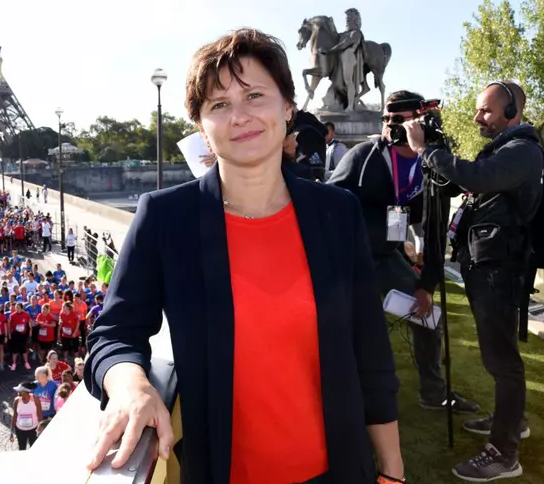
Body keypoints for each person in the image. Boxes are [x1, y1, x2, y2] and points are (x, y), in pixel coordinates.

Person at [84, 28, 403, 484]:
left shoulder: (337, 213)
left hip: (339, 471)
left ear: (287, 107)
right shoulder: (166, 218)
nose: (240, 116)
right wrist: (131, 385)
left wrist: (392, 469)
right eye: (219, 105)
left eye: (255, 95)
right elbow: (114, 333)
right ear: (201, 125)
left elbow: (370, 350)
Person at [403, 81, 542, 481]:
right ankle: (511, 422)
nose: (478, 117)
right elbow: (461, 181)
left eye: (486, 110)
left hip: (500, 271)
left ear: (512, 112)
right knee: (499, 359)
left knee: (503, 363)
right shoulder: (503, 149)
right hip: (489, 267)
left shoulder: (523, 151)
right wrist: (438, 150)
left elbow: (477, 177)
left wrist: (426, 150)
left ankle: (504, 454)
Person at [328, 90, 480, 416]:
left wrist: (427, 286)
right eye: (385, 118)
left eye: (397, 119)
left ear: (419, 122)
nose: (388, 125)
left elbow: (436, 234)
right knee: (349, 327)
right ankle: (339, 393)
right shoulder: (365, 155)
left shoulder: (432, 165)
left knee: (428, 318)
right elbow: (329, 203)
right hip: (348, 257)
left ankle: (434, 393)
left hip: (385, 256)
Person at [11, 381, 42, 450]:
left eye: (20, 390)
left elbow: (39, 414)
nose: (18, 392)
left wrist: (41, 429)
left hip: (33, 429)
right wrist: (11, 430)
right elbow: (15, 415)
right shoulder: (16, 400)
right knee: (22, 448)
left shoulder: (35, 399)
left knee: (34, 448)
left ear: (25, 391)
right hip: (20, 430)